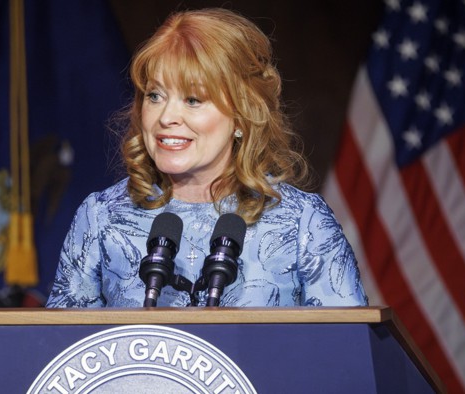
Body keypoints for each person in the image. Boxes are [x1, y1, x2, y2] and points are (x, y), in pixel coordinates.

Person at [45, 8, 367, 308]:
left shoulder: (302, 224)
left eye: (193, 99)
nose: (166, 116)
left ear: (241, 116)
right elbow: (62, 354)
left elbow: (344, 356)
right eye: (155, 95)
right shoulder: (102, 219)